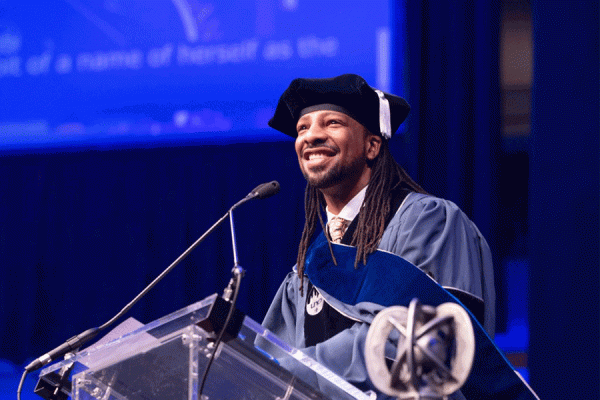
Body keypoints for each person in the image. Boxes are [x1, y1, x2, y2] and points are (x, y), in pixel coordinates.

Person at [258, 74, 495, 397]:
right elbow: (265, 367)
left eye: (332, 123)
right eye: (302, 128)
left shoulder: (428, 222)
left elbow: (421, 340)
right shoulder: (308, 268)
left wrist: (301, 369)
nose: (311, 135)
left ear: (372, 145)